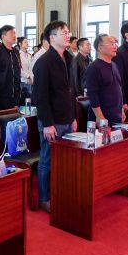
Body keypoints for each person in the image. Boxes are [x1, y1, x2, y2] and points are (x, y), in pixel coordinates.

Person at [32, 20, 76, 212]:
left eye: (68, 32)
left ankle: (60, 192)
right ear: (52, 37)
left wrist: (73, 117)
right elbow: (40, 96)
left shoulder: (68, 58)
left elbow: (70, 92)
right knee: (47, 159)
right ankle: (44, 198)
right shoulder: (44, 62)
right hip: (52, 121)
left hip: (66, 117)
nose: (68, 35)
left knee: (65, 159)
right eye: (63, 32)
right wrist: (47, 123)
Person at [84, 34, 125, 125]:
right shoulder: (93, 67)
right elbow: (92, 94)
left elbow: (118, 89)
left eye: (115, 44)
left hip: (116, 115)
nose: (115, 46)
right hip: (103, 117)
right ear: (100, 48)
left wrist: (121, 110)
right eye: (111, 44)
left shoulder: (114, 65)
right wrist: (99, 116)